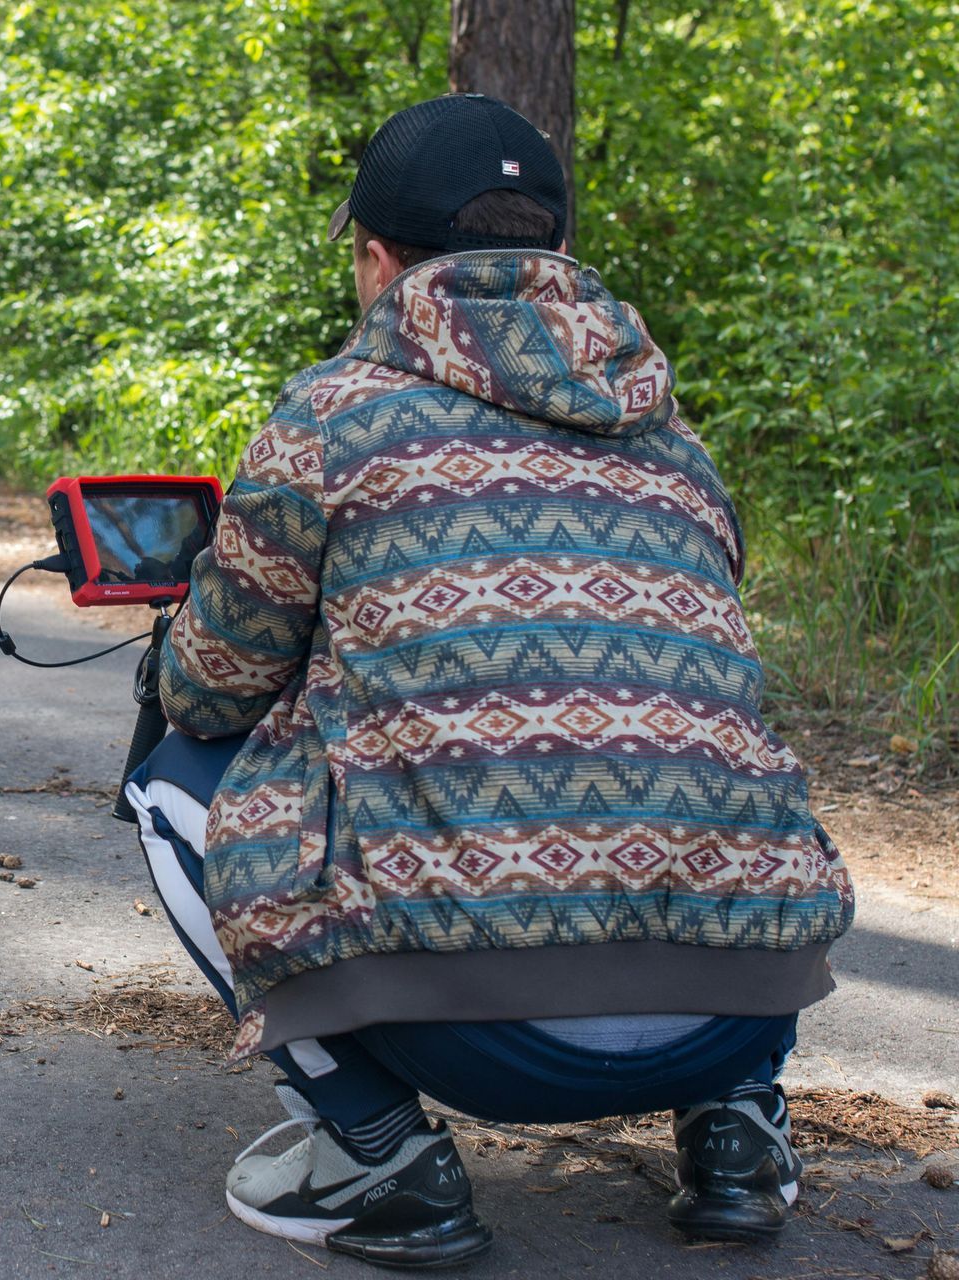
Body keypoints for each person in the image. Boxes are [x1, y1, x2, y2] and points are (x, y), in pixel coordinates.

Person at [121, 94, 853, 1270]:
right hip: (738, 1005)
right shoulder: (677, 442)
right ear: (558, 249)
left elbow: (211, 690)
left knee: (172, 777)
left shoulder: (332, 418)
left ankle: (381, 1157)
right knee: (702, 748)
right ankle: (738, 1128)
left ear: (377, 261)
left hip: (476, 1042)